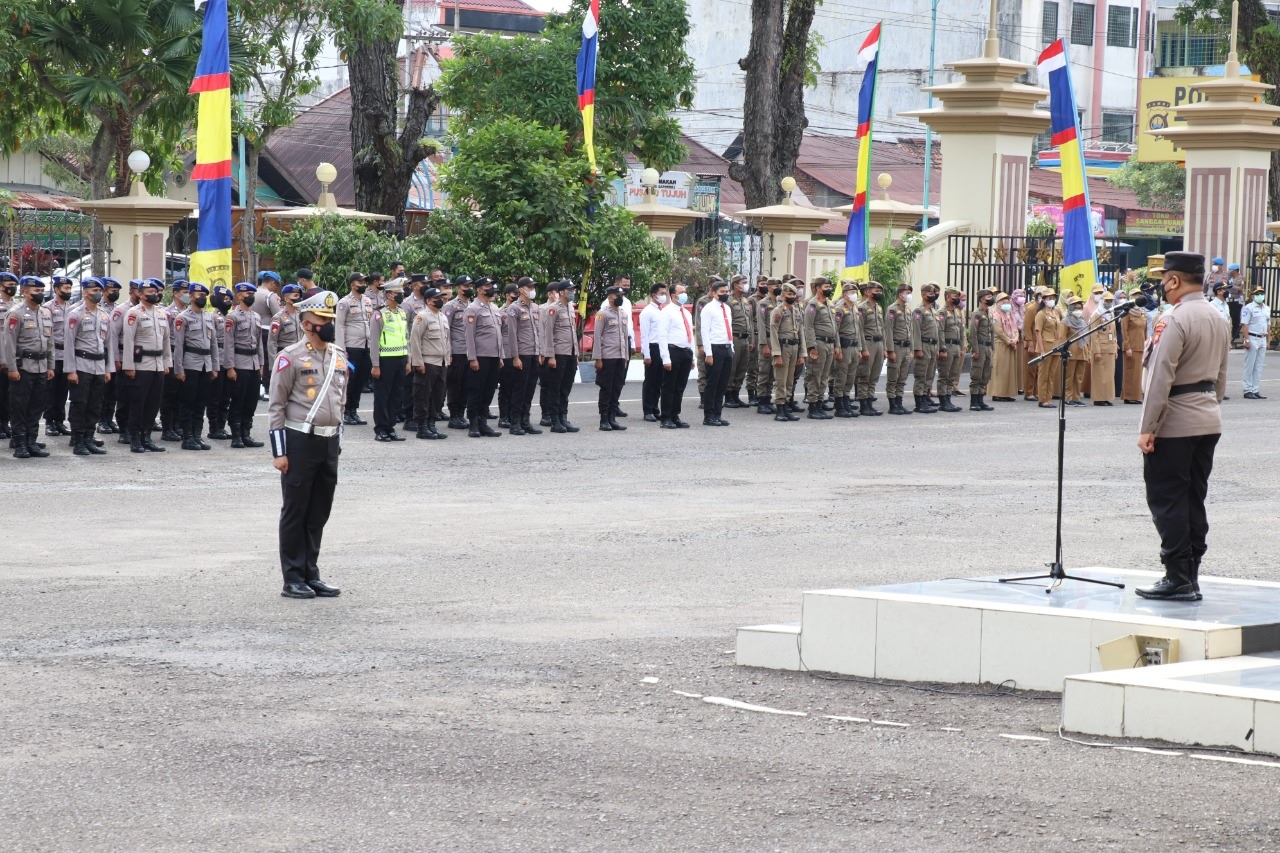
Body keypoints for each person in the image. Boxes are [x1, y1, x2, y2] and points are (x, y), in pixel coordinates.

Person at [1136, 252, 1230, 601]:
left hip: (1175, 420)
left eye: (1164, 280)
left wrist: (1149, 426)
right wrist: (1208, 407)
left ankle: (1176, 575)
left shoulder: (1172, 319)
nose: (1162, 286)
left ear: (1174, 280)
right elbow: (1221, 377)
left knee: (1168, 499)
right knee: (1193, 497)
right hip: (1207, 417)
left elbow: (1161, 375)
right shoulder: (1217, 316)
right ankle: (1191, 575)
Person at [268, 289, 346, 600]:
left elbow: (341, 401)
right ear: (306, 324)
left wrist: (339, 440)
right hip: (299, 440)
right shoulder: (290, 357)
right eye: (322, 318)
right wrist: (280, 452)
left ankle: (311, 573)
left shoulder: (340, 355)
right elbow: (276, 405)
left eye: (331, 318)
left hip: (329, 442)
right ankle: (292, 578)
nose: (328, 323)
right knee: (296, 511)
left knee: (319, 512)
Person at [3, 276, 53, 458]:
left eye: (41, 291)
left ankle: (31, 441)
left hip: (41, 367)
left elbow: (50, 343)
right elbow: (9, 344)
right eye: (36, 291)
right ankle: (20, 444)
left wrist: (50, 366)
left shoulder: (45, 313)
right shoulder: (16, 313)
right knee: (20, 407)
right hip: (23, 367)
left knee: (36, 407)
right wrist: (12, 368)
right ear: (25, 292)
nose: (40, 294)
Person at [64, 277, 113, 455]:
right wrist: (71, 370)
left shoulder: (103, 315)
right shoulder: (75, 314)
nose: (98, 294)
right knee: (80, 404)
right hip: (81, 365)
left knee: (95, 404)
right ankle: (78, 441)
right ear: (85, 292)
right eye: (94, 291)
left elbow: (108, 345)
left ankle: (89, 438)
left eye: (100, 291)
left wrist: (108, 369)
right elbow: (69, 344)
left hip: (99, 365)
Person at [123, 278, 173, 453]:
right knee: (138, 403)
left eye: (155, 292)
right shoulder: (133, 313)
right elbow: (128, 341)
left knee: (153, 403)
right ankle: (135, 438)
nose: (154, 295)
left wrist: (167, 362)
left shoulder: (161, 313)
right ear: (141, 295)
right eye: (150, 292)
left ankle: (147, 437)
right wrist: (129, 366)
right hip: (141, 365)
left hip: (158, 365)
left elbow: (166, 340)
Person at [171, 282, 220, 451]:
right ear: (190, 297)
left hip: (206, 364)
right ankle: (188, 437)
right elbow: (178, 346)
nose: (202, 298)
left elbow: (213, 344)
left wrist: (215, 367)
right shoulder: (182, 318)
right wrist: (179, 369)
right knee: (188, 402)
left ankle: (197, 435)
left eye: (204, 296)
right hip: (190, 363)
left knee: (201, 403)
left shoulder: (209, 317)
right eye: (199, 295)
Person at [223, 282, 265, 449]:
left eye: (252, 293)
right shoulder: (232, 317)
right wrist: (230, 367)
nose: (250, 296)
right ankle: (236, 435)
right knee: (238, 400)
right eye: (247, 293)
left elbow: (259, 342)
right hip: (239, 363)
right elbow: (228, 344)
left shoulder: (256, 316)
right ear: (239, 296)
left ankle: (246, 433)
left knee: (251, 400)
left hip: (254, 363)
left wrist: (261, 363)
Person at [464, 276, 505, 437]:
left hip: (494, 356)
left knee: (489, 390)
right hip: (480, 357)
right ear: (479, 289)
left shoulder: (493, 308)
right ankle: (473, 423)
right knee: (476, 390)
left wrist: (501, 355)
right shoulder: (472, 309)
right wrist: (472, 358)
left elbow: (498, 334)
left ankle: (483, 422)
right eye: (488, 285)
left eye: (492, 285)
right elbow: (469, 336)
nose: (491, 288)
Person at [502, 276, 544, 436]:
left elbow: (538, 332)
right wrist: (515, 357)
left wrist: (540, 352)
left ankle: (525, 421)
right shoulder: (514, 308)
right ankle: (515, 423)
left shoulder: (534, 307)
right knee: (519, 390)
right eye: (529, 287)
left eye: (533, 287)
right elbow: (512, 334)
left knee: (530, 389)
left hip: (533, 354)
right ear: (521, 290)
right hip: (522, 355)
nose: (532, 290)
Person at [369, 277, 409, 441]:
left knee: (396, 395)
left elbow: (406, 337)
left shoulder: (401, 312)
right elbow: (374, 341)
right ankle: (381, 429)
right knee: (382, 396)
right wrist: (375, 365)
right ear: (389, 295)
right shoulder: (379, 314)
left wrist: (408, 360)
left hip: (400, 357)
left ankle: (391, 427)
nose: (401, 295)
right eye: (398, 293)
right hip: (385, 359)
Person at [539, 280, 581, 433]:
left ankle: (563, 417)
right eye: (570, 290)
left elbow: (572, 333)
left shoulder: (570, 307)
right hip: (558, 354)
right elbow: (547, 333)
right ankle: (554, 420)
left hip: (570, 354)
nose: (572, 292)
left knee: (565, 389)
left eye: (573, 289)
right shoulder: (553, 309)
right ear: (562, 292)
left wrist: (576, 353)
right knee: (554, 389)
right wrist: (550, 355)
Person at [408, 285, 449, 440]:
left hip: (442, 362)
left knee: (438, 396)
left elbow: (447, 340)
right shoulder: (422, 316)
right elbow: (415, 340)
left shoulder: (442, 316)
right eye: (437, 298)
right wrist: (418, 362)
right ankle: (422, 427)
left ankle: (432, 424)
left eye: (441, 298)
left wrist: (448, 359)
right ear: (428, 301)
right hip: (427, 361)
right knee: (423, 396)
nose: (440, 300)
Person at [336, 272, 373, 426]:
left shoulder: (367, 301)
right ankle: (345, 411)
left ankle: (354, 411)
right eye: (359, 282)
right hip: (351, 347)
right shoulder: (344, 302)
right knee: (350, 381)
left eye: (364, 282)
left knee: (361, 381)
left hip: (366, 346)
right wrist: (341, 349)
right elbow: (339, 325)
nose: (363, 285)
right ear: (352, 284)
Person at [656, 282, 694, 429]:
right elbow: (662, 336)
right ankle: (665, 417)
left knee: (680, 387)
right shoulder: (666, 312)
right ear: (673, 295)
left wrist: (692, 357)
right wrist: (666, 358)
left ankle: (675, 415)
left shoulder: (686, 313)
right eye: (681, 292)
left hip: (685, 351)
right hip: (673, 351)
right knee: (669, 386)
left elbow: (690, 334)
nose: (684, 294)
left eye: (685, 291)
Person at [593, 284, 630, 431]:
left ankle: (612, 418)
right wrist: (598, 358)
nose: (620, 298)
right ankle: (604, 419)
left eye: (621, 296)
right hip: (607, 356)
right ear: (610, 297)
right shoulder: (603, 314)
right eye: (617, 296)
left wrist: (626, 357)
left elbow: (625, 337)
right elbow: (597, 336)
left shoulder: (623, 314)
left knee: (617, 388)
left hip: (620, 356)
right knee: (606, 388)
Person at [798, 277, 836, 420]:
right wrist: (812, 347)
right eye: (826, 287)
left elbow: (834, 327)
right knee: (815, 375)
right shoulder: (812, 305)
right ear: (818, 288)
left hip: (830, 344)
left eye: (829, 287)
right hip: (818, 344)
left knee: (824, 376)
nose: (829, 289)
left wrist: (836, 345)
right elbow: (808, 327)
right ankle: (813, 406)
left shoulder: (829, 304)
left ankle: (819, 403)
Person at [700, 278, 735, 426]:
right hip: (715, 348)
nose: (725, 294)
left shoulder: (726, 307)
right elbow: (705, 331)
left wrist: (731, 347)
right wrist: (708, 353)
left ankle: (717, 414)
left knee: (722, 384)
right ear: (714, 293)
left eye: (727, 292)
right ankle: (709, 416)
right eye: (722, 292)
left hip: (726, 348)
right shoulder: (708, 308)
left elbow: (729, 329)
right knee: (712, 384)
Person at [769, 282, 806, 422]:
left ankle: (786, 407)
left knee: (790, 380)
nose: (792, 297)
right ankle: (779, 409)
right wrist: (776, 354)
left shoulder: (796, 311)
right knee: (781, 380)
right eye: (789, 294)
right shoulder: (778, 311)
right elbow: (773, 332)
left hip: (794, 347)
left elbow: (801, 332)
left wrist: (802, 353)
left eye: (793, 294)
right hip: (783, 347)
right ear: (783, 295)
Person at [43, 274, 74, 437]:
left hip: (66, 354)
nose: (68, 291)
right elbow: (46, 335)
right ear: (56, 289)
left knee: (63, 390)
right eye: (65, 288)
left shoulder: (71, 308)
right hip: (54, 353)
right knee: (51, 390)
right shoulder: (48, 308)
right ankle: (49, 422)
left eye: (69, 288)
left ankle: (60, 421)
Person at [443, 275, 473, 429]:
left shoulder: (472, 305)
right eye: (466, 286)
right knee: (455, 384)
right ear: (458, 288)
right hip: (457, 351)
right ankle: (454, 415)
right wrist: (448, 353)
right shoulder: (451, 306)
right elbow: (445, 330)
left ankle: (461, 414)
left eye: (470, 286)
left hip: (469, 351)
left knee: (467, 385)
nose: (469, 289)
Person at [205, 285, 235, 440]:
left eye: (230, 299)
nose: (228, 301)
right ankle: (213, 428)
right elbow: (210, 342)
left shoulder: (231, 317)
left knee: (226, 397)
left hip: (229, 360)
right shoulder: (212, 317)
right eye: (225, 299)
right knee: (214, 397)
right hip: (216, 359)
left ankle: (221, 427)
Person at [830, 281, 863, 418]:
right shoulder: (839, 309)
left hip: (854, 346)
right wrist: (837, 347)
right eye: (851, 292)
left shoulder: (855, 308)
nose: (854, 295)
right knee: (841, 376)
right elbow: (835, 330)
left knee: (850, 377)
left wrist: (860, 348)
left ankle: (846, 401)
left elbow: (858, 330)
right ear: (844, 294)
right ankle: (839, 405)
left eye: (855, 292)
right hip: (844, 346)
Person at [854, 281, 885, 416]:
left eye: (880, 291)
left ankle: (869, 402)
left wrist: (884, 348)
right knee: (864, 375)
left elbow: (882, 328)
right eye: (876, 291)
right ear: (867, 292)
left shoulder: (878, 307)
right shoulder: (861, 308)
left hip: (878, 344)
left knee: (874, 376)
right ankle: (863, 404)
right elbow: (859, 330)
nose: (879, 293)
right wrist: (863, 349)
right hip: (868, 343)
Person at [911, 282, 942, 413]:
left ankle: (925, 398)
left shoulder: (933, 311)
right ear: (923, 295)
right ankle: (919, 402)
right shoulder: (919, 311)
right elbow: (916, 331)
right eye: (930, 294)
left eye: (934, 294)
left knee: (929, 375)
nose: (933, 296)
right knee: (921, 375)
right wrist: (917, 348)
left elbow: (937, 331)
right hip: (923, 345)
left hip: (933, 345)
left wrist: (939, 347)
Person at [254, 270, 284, 398]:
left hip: (253, 329)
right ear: (272, 283)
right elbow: (278, 314)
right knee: (267, 359)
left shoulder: (253, 292)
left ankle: (257, 385)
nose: (276, 287)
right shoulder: (269, 295)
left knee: (256, 358)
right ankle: (266, 387)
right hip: (267, 330)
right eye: (276, 285)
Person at [639, 283, 666, 421]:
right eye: (661, 293)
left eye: (665, 293)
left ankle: (655, 408)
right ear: (653, 295)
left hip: (662, 348)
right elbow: (644, 335)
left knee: (659, 381)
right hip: (652, 347)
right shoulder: (647, 311)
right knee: (650, 381)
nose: (663, 296)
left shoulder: (662, 310)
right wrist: (647, 355)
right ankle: (648, 410)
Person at [725, 275, 753, 408]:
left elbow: (750, 322)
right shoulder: (728, 301)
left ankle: (736, 395)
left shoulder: (745, 301)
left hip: (745, 338)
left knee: (742, 368)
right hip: (735, 337)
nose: (746, 285)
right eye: (744, 283)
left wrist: (751, 339)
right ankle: (728, 396)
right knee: (732, 368)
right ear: (736, 285)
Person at [936, 286, 966, 412]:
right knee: (944, 375)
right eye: (955, 296)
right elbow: (940, 331)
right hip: (947, 346)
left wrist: (962, 346)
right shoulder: (942, 312)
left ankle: (948, 399)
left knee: (952, 375)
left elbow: (961, 330)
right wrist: (942, 349)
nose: (958, 299)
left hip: (956, 346)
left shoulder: (957, 312)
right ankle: (943, 401)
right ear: (948, 297)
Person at [1034, 289, 1065, 408]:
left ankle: (1048, 397)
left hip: (1055, 347)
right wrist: (1041, 350)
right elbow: (1038, 333)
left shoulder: (1055, 312)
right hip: (1045, 347)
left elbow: (1059, 329)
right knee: (1044, 375)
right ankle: (1042, 399)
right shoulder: (1040, 314)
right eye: (1049, 298)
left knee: (1051, 375)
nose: (1051, 300)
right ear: (1044, 300)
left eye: (1053, 298)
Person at [967, 289, 995, 411]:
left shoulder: (989, 313)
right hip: (980, 346)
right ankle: (974, 401)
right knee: (977, 374)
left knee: (986, 374)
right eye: (989, 296)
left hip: (988, 347)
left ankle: (980, 400)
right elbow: (973, 333)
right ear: (983, 299)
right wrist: (975, 350)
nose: (991, 299)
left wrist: (992, 348)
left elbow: (992, 332)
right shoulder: (976, 313)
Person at [753, 279, 779, 413]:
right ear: (769, 288)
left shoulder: (780, 302)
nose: (778, 288)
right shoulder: (763, 303)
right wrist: (763, 344)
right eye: (775, 286)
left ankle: (768, 399)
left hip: (777, 341)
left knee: (772, 373)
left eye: (779, 285)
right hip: (767, 340)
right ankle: (761, 401)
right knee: (764, 371)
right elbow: (761, 325)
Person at [1090, 291, 1118, 406]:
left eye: (1110, 301)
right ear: (1102, 301)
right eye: (1106, 301)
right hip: (1100, 349)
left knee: (1109, 376)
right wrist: (1096, 351)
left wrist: (1115, 349)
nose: (1109, 303)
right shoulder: (1096, 315)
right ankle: (1099, 398)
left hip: (1110, 348)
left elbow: (1114, 333)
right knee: (1100, 375)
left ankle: (1107, 397)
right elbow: (1094, 334)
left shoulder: (1111, 314)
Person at [990, 291, 1019, 401]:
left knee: (1009, 371)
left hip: (1011, 344)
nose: (1006, 303)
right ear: (997, 303)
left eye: (1007, 301)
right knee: (1000, 370)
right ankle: (998, 393)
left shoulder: (1009, 314)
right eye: (1003, 301)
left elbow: (1015, 329)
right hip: (1001, 345)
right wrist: (1009, 341)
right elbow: (998, 331)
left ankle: (1007, 393)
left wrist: (1015, 340)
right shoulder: (995, 315)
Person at [1241, 286, 1269, 399]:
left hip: (1262, 338)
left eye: (1261, 293)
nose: (1260, 296)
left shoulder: (1266, 308)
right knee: (1250, 365)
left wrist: (1268, 339)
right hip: (1252, 337)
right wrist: (1246, 340)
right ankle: (1247, 389)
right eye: (1257, 294)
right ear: (1253, 296)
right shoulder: (1248, 308)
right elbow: (1245, 325)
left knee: (1258, 366)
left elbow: (1268, 324)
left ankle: (1255, 389)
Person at [1120, 289, 1147, 404]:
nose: (1137, 298)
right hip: (1131, 346)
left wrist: (1146, 344)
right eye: (1135, 296)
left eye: (1139, 296)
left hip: (1140, 345)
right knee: (1130, 372)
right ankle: (1129, 396)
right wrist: (1127, 347)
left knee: (1138, 373)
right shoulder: (1127, 312)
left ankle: (1136, 395)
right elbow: (1124, 331)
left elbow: (1144, 330)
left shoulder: (1141, 312)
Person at [1062, 293, 1089, 407]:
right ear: (1070, 308)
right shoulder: (1065, 321)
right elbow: (1062, 338)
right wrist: (1065, 351)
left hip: (1082, 351)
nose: (1078, 310)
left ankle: (1076, 397)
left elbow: (1087, 336)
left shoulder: (1083, 321)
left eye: (1080, 308)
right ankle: (1067, 398)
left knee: (1078, 377)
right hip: (1071, 351)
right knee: (1069, 376)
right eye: (1075, 308)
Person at [267, 282, 304, 364]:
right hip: (285, 357)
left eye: (299, 296)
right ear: (287, 299)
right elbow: (272, 342)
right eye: (295, 296)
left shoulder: (300, 315)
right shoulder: (278, 318)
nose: (298, 298)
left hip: (299, 357)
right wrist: (274, 364)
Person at [0, 271, 17, 439]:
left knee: (9, 394)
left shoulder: (16, 306)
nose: (12, 289)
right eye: (9, 286)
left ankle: (5, 423)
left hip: (11, 357)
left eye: (14, 286)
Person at [1226, 263, 1245, 346]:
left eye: (1230, 270)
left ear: (1234, 271)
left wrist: (1230, 287)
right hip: (1229, 300)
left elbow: (1240, 289)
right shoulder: (1229, 278)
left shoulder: (1241, 279)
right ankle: (1229, 337)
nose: (1228, 271)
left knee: (1236, 320)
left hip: (1237, 301)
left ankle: (1235, 338)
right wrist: (1231, 287)